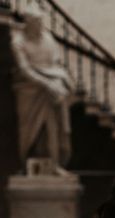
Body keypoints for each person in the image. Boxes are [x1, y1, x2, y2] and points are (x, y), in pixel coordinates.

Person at [11, 4, 73, 170]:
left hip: (50, 84)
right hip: (28, 89)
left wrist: (60, 80)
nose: (39, 24)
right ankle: (27, 163)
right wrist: (48, 84)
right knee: (29, 128)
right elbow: (25, 70)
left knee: (53, 125)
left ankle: (55, 163)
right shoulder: (18, 41)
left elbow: (55, 64)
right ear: (28, 23)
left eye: (40, 20)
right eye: (35, 21)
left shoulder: (47, 38)